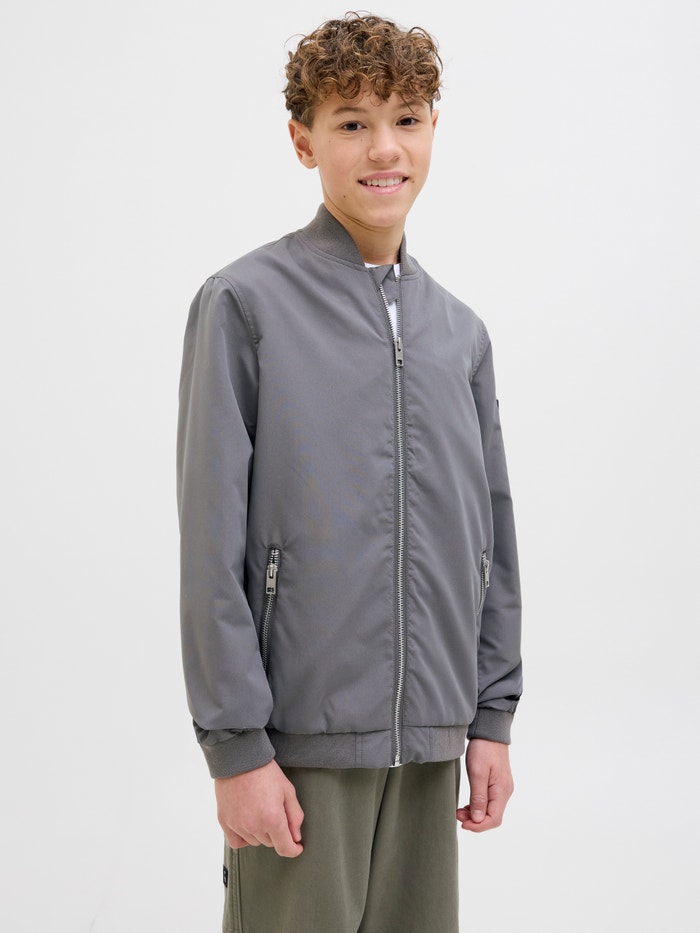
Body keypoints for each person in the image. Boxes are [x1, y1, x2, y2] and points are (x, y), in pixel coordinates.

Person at [177, 11, 523, 932]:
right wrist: (236, 747)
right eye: (352, 122)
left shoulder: (461, 334)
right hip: (295, 753)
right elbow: (210, 544)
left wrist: (490, 716)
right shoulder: (245, 305)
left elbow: (491, 538)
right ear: (304, 141)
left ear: (434, 129)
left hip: (431, 748)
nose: (384, 148)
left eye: (406, 118)